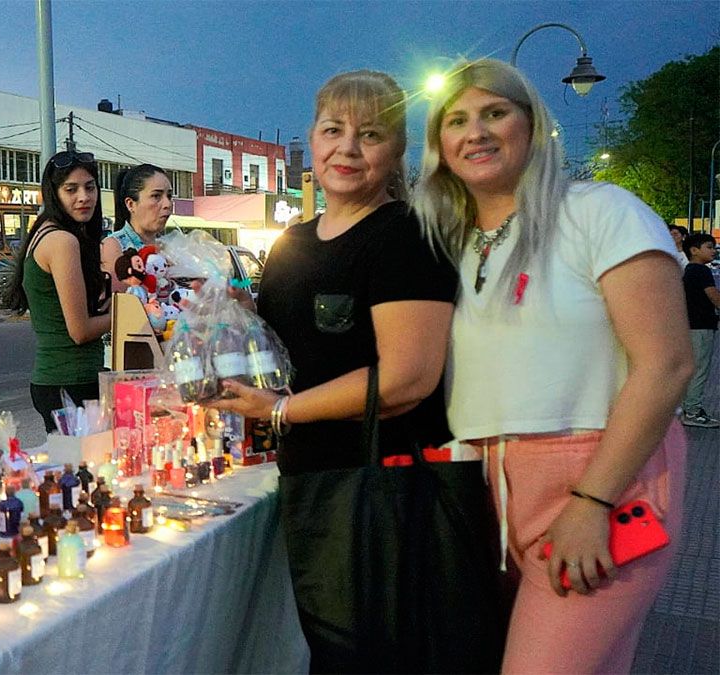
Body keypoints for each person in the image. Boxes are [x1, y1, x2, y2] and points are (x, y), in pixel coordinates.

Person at [412, 58, 692, 673]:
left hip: (597, 480)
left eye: (495, 112)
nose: (476, 132)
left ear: (532, 125)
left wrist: (593, 501)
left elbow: (668, 364)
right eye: (456, 121)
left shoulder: (599, 211)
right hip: (486, 491)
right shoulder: (447, 242)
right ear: (438, 146)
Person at [209, 71, 472, 672]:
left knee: (376, 656)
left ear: (397, 149)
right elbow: (284, 353)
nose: (347, 148)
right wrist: (232, 320)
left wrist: (280, 411)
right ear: (312, 139)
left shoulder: (407, 236)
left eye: (370, 134)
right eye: (333, 130)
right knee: (333, 649)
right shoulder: (292, 244)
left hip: (387, 488)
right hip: (313, 480)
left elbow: (406, 380)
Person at [2, 151, 110, 432]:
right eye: (71, 189)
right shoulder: (62, 241)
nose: (84, 197)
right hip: (70, 382)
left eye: (90, 187)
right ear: (54, 193)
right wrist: (133, 312)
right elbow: (80, 331)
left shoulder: (45, 231)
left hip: (61, 381)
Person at [100, 164, 173, 291]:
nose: (167, 204)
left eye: (169, 196)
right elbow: (121, 298)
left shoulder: (168, 248)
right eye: (156, 196)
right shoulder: (113, 245)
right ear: (131, 204)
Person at [680, 233, 719, 427]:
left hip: (690, 326)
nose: (713, 251)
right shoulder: (701, 271)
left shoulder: (689, 270)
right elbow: (714, 296)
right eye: (709, 247)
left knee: (693, 369)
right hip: (701, 327)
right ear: (694, 250)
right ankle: (693, 412)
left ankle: (688, 407)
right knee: (700, 370)